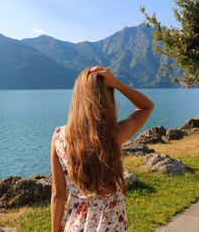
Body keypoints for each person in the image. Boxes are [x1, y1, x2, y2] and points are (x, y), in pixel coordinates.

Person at [50, 65, 154, 232]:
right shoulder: (113, 135)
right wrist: (116, 84)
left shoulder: (59, 136)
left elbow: (57, 193)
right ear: (106, 98)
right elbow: (146, 106)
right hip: (111, 224)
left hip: (76, 224)